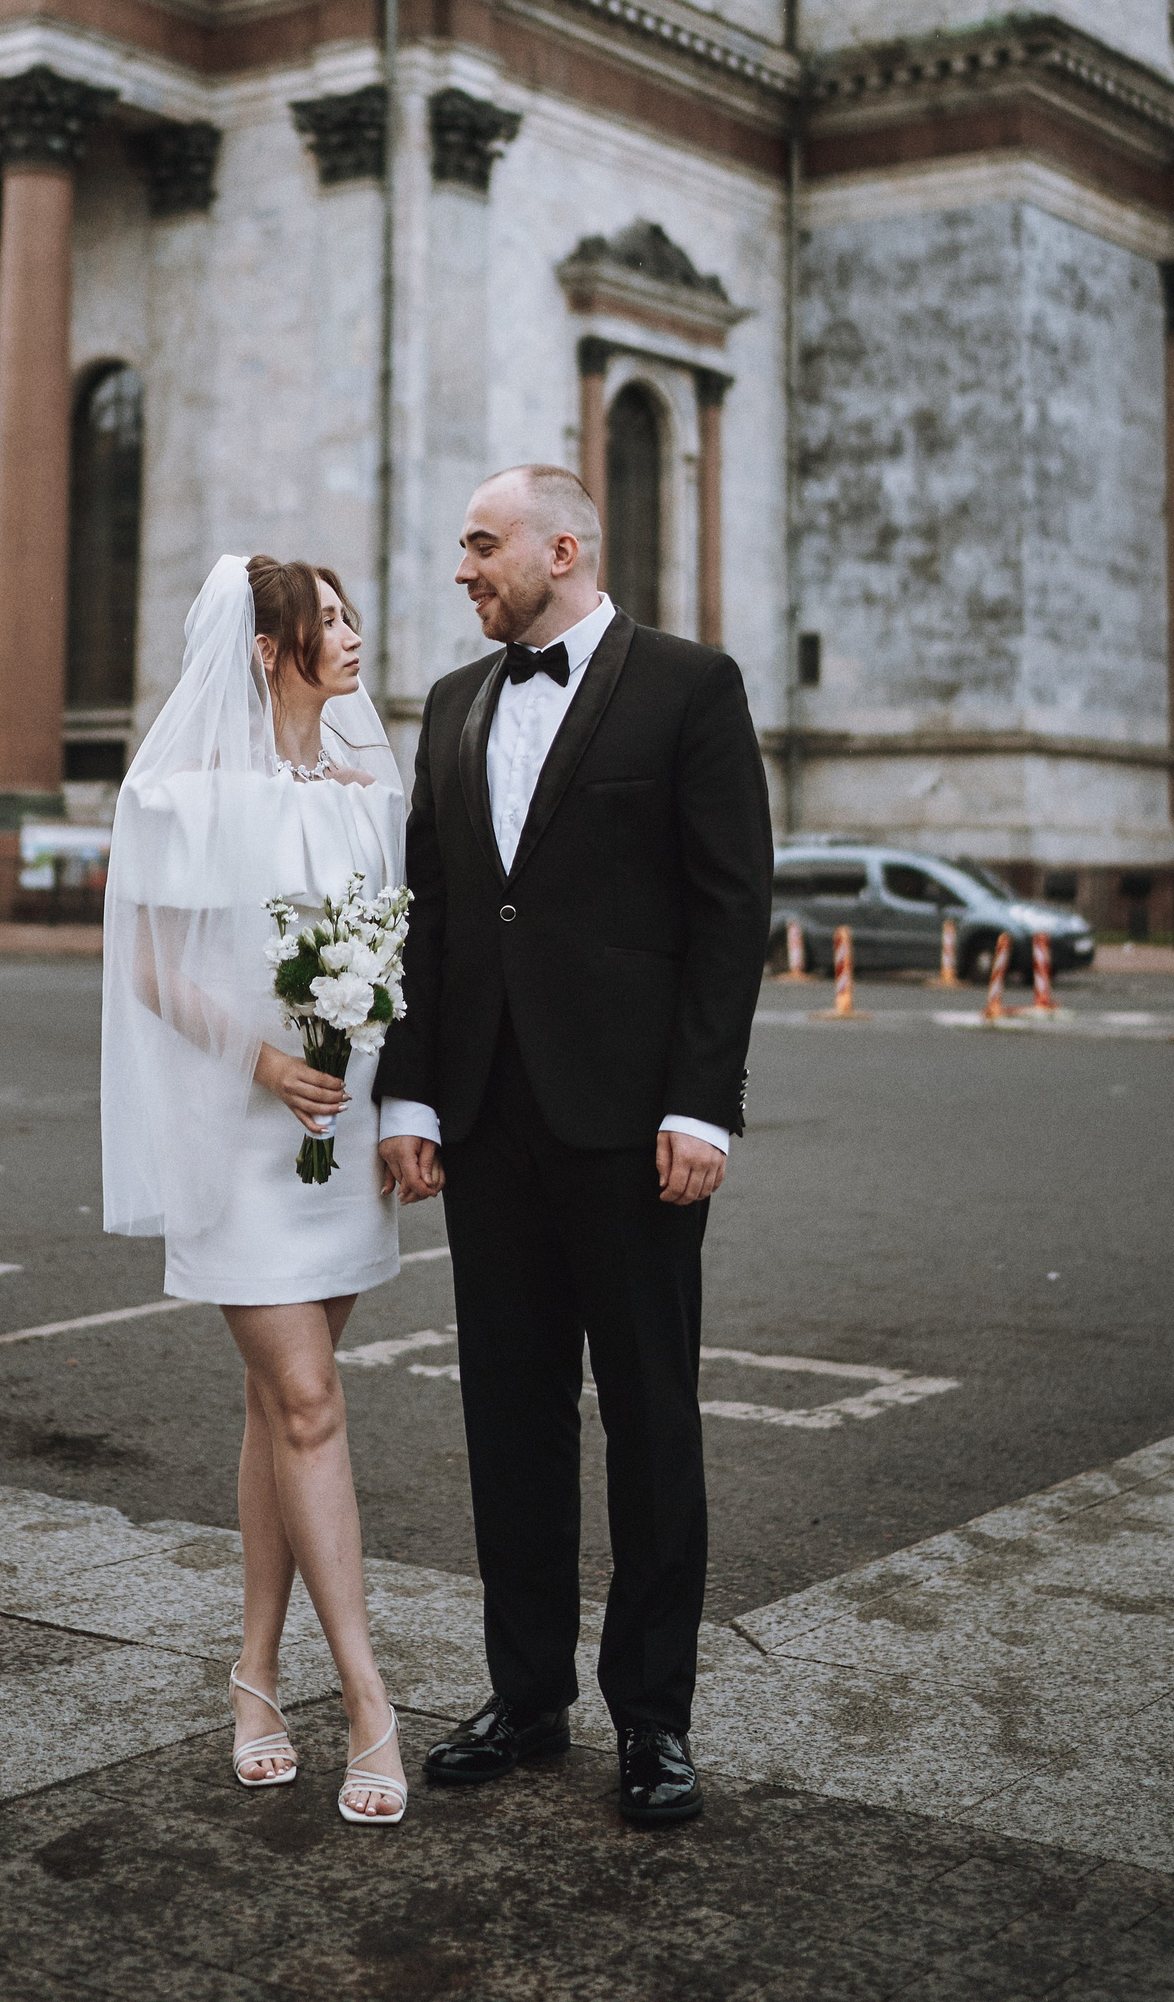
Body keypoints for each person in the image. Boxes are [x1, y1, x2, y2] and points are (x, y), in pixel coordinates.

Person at [378, 466, 772, 1826]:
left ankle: (654, 1720)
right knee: (510, 1419)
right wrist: (411, 1099)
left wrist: (702, 1102)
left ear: (563, 548)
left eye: (481, 544)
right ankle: (528, 1695)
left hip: (634, 1127)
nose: (463, 570)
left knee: (651, 1420)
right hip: (487, 1123)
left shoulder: (691, 686)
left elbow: (730, 907)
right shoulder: (451, 704)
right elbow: (432, 915)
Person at [101, 553, 412, 1825]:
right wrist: (268, 1061)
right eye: (325, 621)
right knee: (310, 1403)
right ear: (271, 650)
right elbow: (152, 968)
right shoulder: (184, 796)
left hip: (339, 1141)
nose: (351, 635)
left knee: (278, 1409)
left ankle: (254, 1676)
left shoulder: (370, 796)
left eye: (348, 614)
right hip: (241, 1136)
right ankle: (370, 1701)